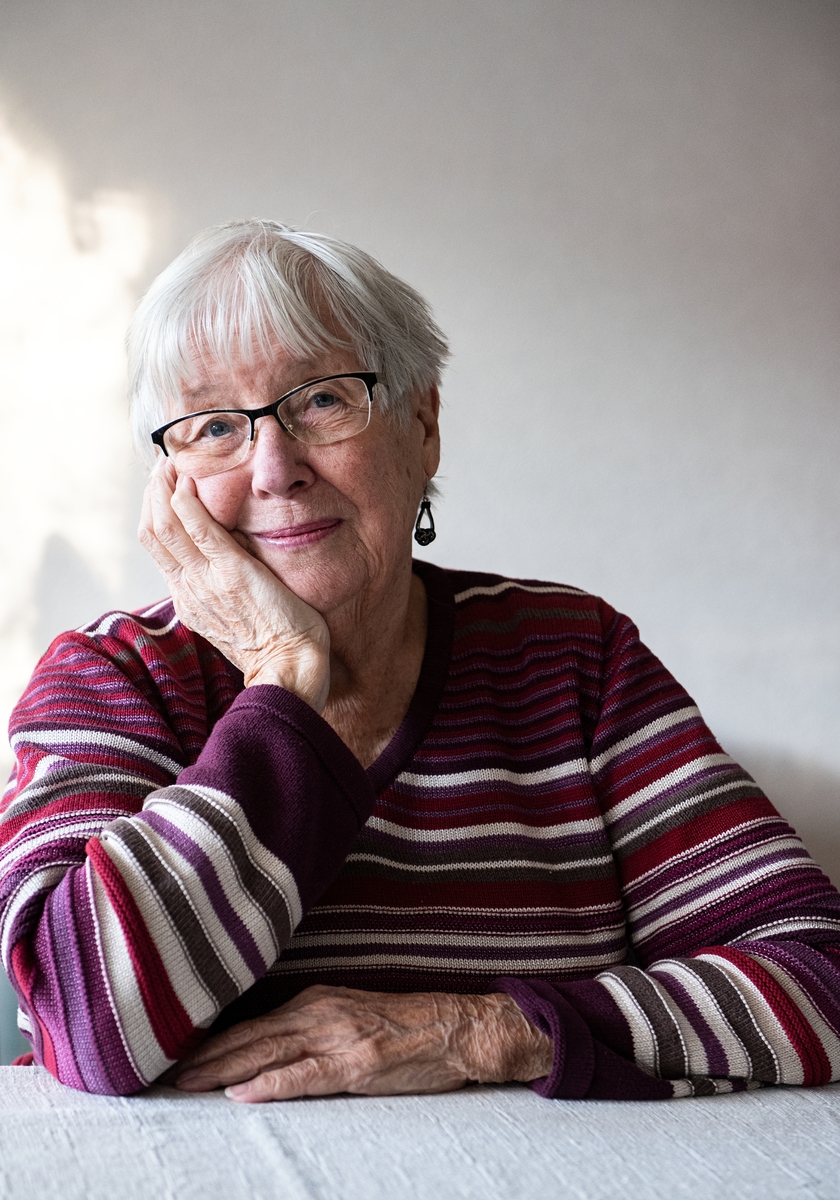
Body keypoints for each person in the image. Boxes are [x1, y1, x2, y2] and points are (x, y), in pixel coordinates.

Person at [3, 220, 840, 1103]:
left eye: (322, 401)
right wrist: (285, 679)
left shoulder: (573, 659)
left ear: (424, 425)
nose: (275, 469)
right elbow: (84, 1027)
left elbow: (817, 980)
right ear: (170, 483)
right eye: (215, 426)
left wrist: (481, 1030)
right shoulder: (114, 679)